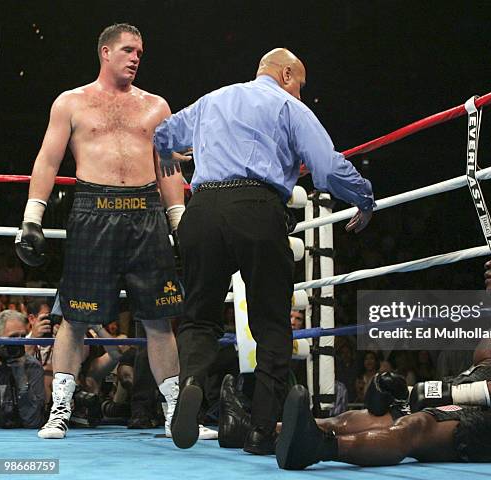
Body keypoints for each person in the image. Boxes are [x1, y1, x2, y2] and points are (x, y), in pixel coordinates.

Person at [154, 47, 375, 452]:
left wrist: (170, 154)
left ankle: (191, 385)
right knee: (271, 321)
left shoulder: (212, 100)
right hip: (256, 208)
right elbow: (325, 167)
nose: (302, 96)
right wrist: (364, 196)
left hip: (200, 211)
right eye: (302, 86)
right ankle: (260, 429)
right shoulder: (287, 108)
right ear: (287, 74)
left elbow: (164, 132)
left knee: (199, 317)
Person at [14, 23, 185, 439]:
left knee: (159, 318)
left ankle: (176, 412)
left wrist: (179, 221)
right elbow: (47, 161)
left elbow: (170, 167)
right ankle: (60, 409)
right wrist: (31, 219)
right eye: (127, 50)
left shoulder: (157, 107)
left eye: (140, 52)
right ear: (105, 52)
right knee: (74, 316)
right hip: (93, 210)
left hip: (146, 212)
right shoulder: (71, 102)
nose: (135, 57)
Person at [276, 247, 491, 469]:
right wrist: (408, 391)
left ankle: (318, 448)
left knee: (415, 426)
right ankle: (268, 432)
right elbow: (472, 380)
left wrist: (451, 392)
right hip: (473, 402)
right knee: (371, 417)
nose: (490, 262)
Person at [0, 310, 45, 428]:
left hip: (22, 435)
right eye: (13, 337)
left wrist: (20, 374)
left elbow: (33, 421)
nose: (18, 341)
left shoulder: (33, 366)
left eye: (22, 336)